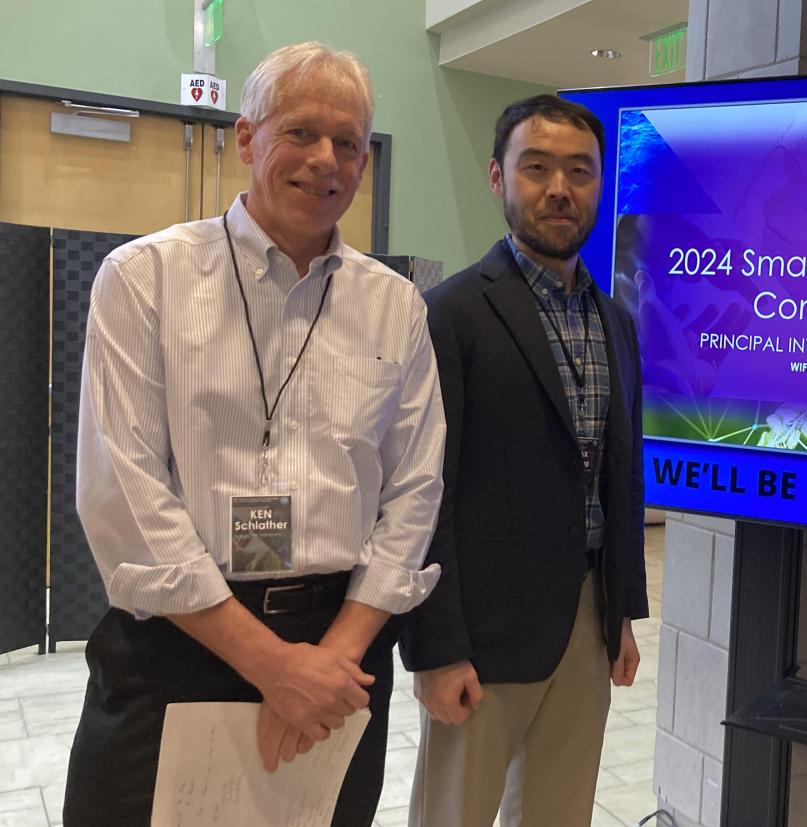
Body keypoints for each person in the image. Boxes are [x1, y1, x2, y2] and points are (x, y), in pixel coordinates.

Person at [64, 42, 445, 826]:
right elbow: (127, 498)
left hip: (340, 646)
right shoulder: (144, 279)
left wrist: (330, 659)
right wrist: (271, 665)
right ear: (246, 138)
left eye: (348, 142)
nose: (325, 159)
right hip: (180, 643)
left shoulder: (396, 306)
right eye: (300, 132)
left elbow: (415, 489)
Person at [400, 94, 646, 826]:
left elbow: (619, 478)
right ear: (497, 177)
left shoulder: (616, 322)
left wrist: (619, 613)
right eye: (536, 168)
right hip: (483, 635)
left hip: (585, 620)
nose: (559, 188)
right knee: (453, 815)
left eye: (580, 171)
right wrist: (435, 648)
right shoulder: (450, 315)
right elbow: (424, 495)